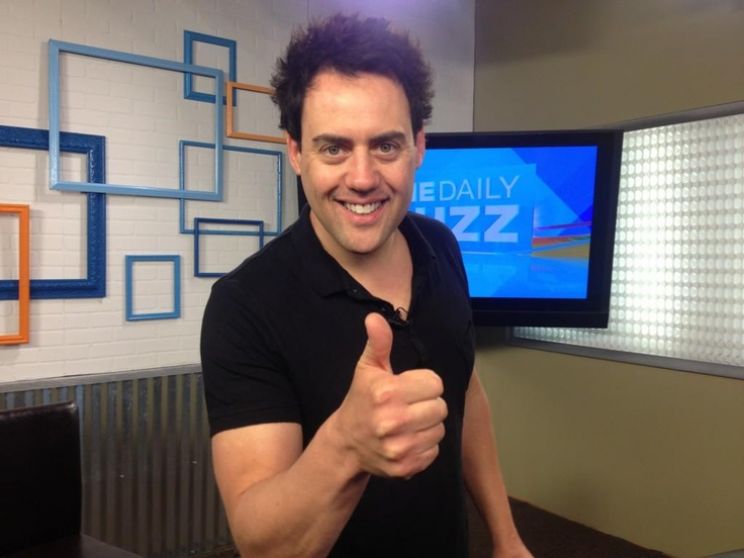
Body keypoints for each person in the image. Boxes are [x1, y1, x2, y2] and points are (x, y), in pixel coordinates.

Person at [200, 13, 533, 558]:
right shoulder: (244, 305)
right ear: (296, 152)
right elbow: (261, 544)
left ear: (418, 146)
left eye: (386, 146)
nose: (361, 178)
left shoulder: (441, 246)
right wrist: (345, 446)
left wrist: (506, 536)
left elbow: (465, 393)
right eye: (333, 148)